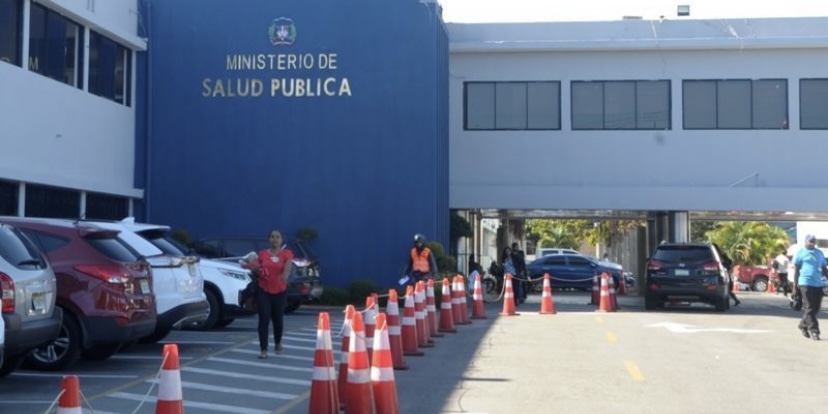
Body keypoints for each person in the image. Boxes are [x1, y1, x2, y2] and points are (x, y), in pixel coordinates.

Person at [241, 229, 294, 359]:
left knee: (278, 320)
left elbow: (288, 267)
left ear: (281, 240)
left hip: (280, 291)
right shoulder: (263, 254)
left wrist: (285, 275)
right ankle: (263, 349)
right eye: (272, 237)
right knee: (264, 318)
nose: (274, 239)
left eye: (277, 237)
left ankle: (277, 342)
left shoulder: (286, 254)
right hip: (263, 290)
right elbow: (254, 269)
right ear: (269, 239)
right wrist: (254, 268)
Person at [792, 234, 827, 341]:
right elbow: (796, 270)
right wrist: (795, 286)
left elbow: (824, 268)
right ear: (806, 241)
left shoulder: (819, 253)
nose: (812, 243)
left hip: (818, 283)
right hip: (805, 282)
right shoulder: (800, 253)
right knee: (809, 306)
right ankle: (814, 331)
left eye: (813, 241)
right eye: (810, 241)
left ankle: (803, 324)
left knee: (816, 307)